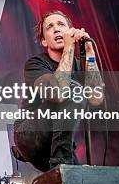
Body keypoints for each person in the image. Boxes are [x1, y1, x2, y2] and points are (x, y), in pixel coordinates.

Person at [13, 10, 104, 172]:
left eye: (61, 25)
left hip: (58, 141)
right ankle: (62, 162)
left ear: (70, 31)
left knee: (81, 182)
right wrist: (69, 46)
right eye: (50, 27)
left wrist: (90, 54)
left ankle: (63, 166)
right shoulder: (36, 64)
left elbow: (96, 98)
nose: (56, 29)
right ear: (44, 41)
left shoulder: (78, 64)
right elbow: (58, 93)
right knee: (74, 89)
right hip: (29, 135)